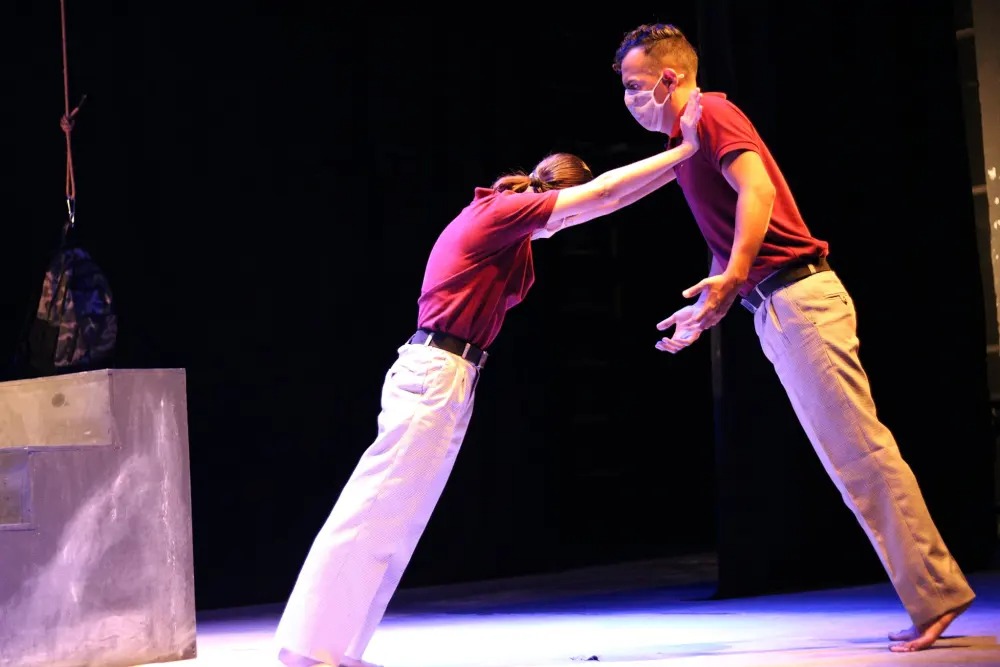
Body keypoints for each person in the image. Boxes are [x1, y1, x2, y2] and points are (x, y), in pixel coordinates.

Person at [272, 91, 705, 667]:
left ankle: (335, 648)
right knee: (374, 507)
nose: (570, 223)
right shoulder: (501, 213)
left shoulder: (513, 230)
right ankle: (306, 649)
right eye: (567, 214)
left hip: (452, 374)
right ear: (551, 199)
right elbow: (601, 195)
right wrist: (686, 149)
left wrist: (681, 166)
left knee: (397, 519)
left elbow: (606, 201)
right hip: (434, 370)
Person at [611, 22, 975, 653]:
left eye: (637, 84)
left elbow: (757, 189)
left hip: (801, 298)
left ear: (671, 76)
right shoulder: (686, 139)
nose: (630, 98)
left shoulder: (712, 113)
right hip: (777, 305)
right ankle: (935, 593)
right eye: (624, 87)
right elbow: (731, 227)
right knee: (851, 459)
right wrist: (713, 304)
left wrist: (732, 276)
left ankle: (938, 596)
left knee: (862, 455)